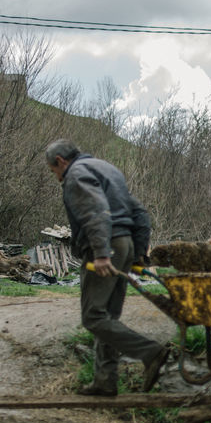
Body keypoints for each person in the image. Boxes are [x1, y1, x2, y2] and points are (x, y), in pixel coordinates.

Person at [44, 139, 170, 395]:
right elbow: (140, 214)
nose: (56, 178)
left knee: (93, 316)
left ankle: (150, 352)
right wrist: (138, 255)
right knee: (107, 317)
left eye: (53, 171)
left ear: (60, 161)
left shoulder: (76, 174)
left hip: (105, 247)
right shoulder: (107, 169)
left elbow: (95, 211)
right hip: (124, 245)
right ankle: (105, 380)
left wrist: (101, 254)